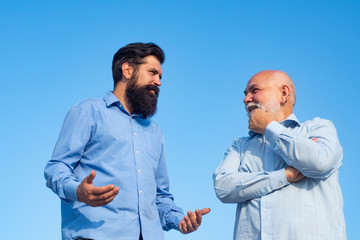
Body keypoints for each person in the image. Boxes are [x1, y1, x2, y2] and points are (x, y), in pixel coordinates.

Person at [45, 42, 210, 240]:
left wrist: (179, 221)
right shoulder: (88, 112)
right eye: (152, 73)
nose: (158, 82)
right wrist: (78, 191)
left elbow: (161, 197)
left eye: (160, 76)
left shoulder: (155, 132)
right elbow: (56, 168)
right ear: (127, 70)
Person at [213, 70, 346, 240]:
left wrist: (270, 128)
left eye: (254, 91)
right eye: (245, 94)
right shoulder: (240, 146)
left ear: (283, 94)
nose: (246, 99)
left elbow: (320, 162)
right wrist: (285, 176)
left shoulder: (319, 128)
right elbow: (223, 187)